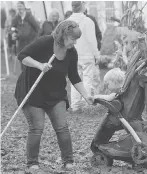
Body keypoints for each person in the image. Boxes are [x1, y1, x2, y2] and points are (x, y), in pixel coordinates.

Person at [14, 20, 94, 171]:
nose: (74, 43)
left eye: (76, 40)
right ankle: (32, 163)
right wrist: (40, 65)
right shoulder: (45, 42)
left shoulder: (71, 52)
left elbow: (74, 76)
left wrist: (86, 96)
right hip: (33, 91)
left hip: (55, 93)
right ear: (63, 35)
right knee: (37, 127)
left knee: (62, 127)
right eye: (72, 39)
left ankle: (68, 161)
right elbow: (22, 56)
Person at [67, 1, 101, 111]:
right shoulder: (88, 21)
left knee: (74, 80)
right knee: (87, 80)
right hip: (87, 55)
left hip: (72, 54)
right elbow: (92, 41)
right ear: (82, 6)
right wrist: (97, 55)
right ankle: (85, 104)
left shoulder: (67, 22)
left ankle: (75, 106)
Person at [11, 1, 40, 71]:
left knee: (32, 61)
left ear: (24, 6)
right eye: (18, 6)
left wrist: (35, 38)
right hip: (21, 44)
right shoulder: (16, 18)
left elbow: (37, 27)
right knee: (23, 62)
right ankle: (25, 79)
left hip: (31, 43)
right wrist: (14, 34)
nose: (19, 7)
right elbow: (12, 28)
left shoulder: (29, 16)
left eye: (20, 5)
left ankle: (33, 78)